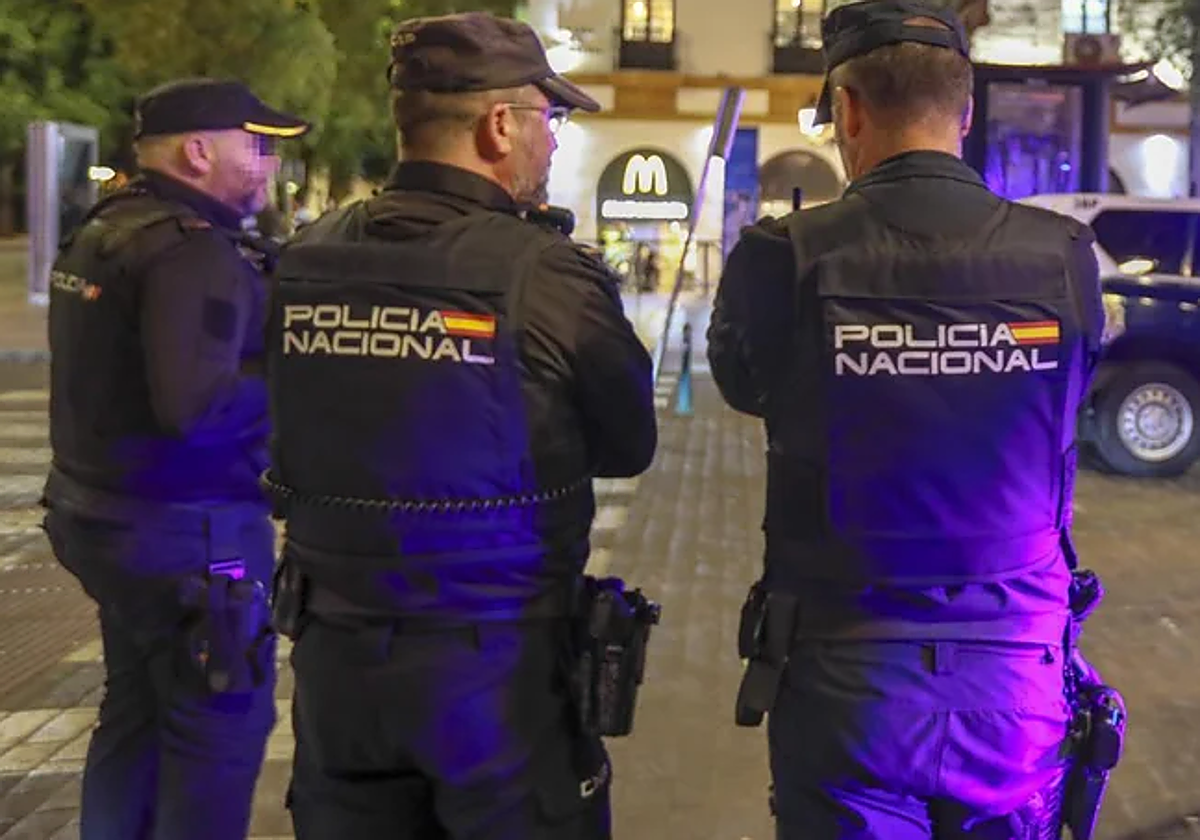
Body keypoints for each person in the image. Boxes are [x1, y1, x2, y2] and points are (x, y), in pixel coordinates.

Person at [708, 1, 1106, 837]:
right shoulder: (1062, 256)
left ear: (846, 110)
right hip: (1017, 672)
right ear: (965, 111)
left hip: (847, 674)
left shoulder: (784, 255)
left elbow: (744, 385)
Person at [265, 11, 657, 839]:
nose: (552, 143)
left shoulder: (303, 261)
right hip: (498, 678)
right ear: (499, 125)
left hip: (337, 669)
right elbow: (628, 444)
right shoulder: (547, 276)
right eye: (548, 121)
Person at [41, 78, 309, 840]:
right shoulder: (195, 254)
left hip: (100, 516)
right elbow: (196, 408)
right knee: (216, 730)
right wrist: (295, 376)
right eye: (255, 147)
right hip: (190, 535)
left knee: (134, 713)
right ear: (198, 150)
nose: (267, 166)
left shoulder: (107, 229)